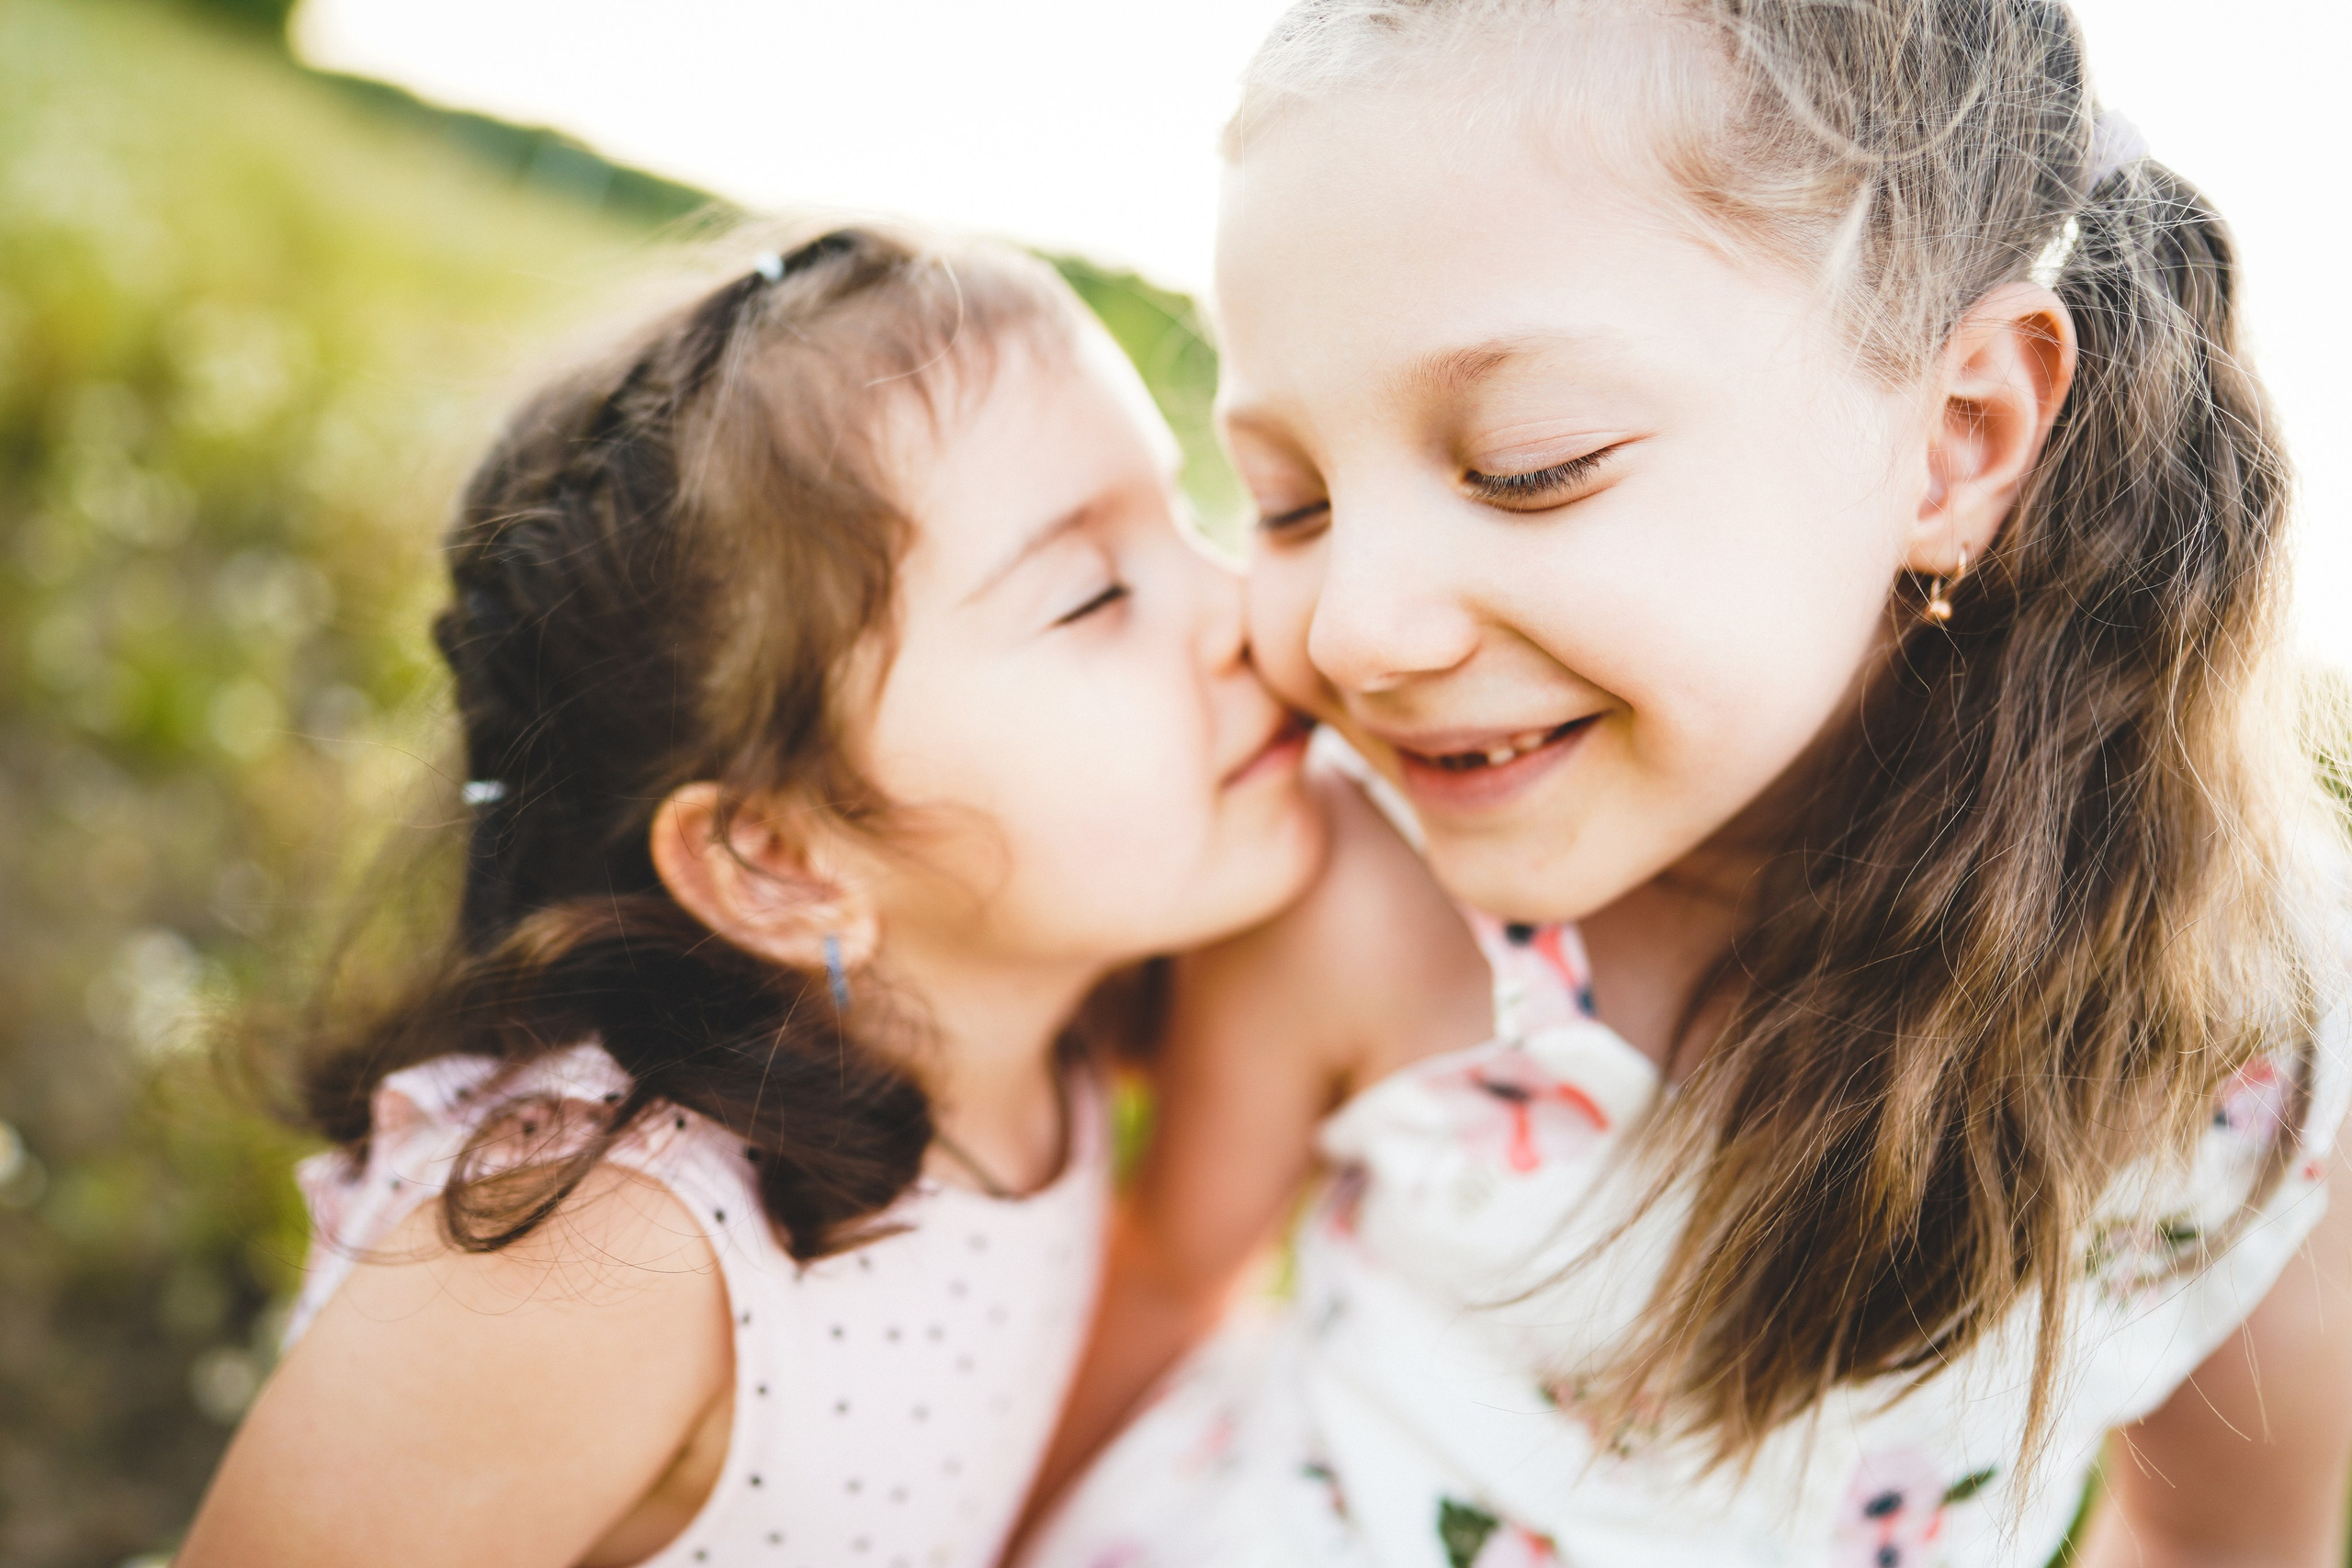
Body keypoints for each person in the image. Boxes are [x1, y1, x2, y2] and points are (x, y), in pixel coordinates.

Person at [1020, 3, 2352, 1564]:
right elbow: (1171, 1284)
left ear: (1955, 439)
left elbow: (2227, 1543)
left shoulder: (2233, 1043)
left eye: (1531, 464)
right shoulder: (1357, 899)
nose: (1356, 627)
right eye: (1293, 503)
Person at [175, 223, 1326, 1568]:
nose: (1238, 604)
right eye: (1090, 597)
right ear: (779, 862)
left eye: (1187, 515)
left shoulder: (1060, 1029)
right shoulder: (608, 1248)